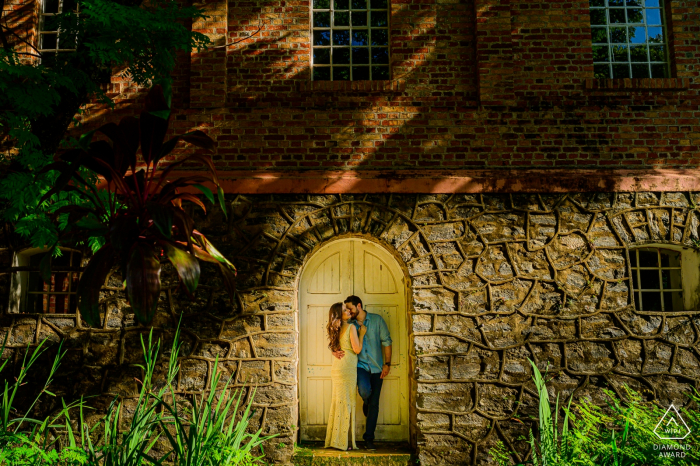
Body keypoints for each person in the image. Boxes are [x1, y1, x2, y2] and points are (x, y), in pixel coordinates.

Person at [332, 295, 392, 451]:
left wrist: (387, 364)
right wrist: (334, 351)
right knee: (365, 391)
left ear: (359, 306)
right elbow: (335, 337)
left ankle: (369, 439)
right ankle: (366, 401)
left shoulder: (377, 320)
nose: (349, 311)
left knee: (375, 404)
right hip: (360, 366)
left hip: (377, 367)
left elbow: (387, 342)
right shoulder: (349, 324)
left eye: (350, 308)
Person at [324, 302, 367, 451]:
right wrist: (361, 335)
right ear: (339, 314)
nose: (348, 311)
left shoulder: (335, 328)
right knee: (346, 404)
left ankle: (335, 440)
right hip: (347, 369)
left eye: (348, 309)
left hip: (337, 368)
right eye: (344, 310)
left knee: (338, 403)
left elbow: (334, 348)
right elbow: (357, 349)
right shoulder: (351, 327)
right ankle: (343, 442)